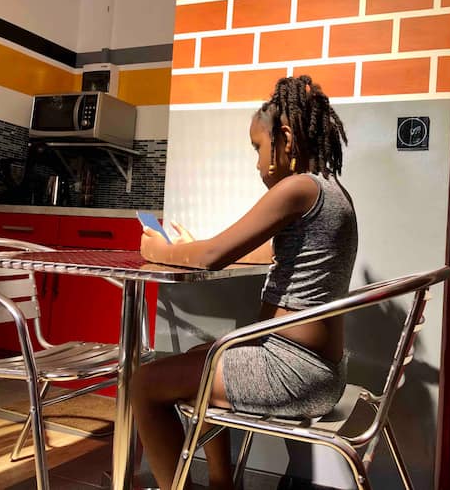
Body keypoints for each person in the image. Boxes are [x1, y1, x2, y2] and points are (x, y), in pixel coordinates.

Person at [131, 75, 358, 490]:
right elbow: (262, 252)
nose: (256, 163)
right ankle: (222, 483)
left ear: (284, 139)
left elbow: (212, 257)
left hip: (293, 372)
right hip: (314, 368)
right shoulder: (331, 192)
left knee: (145, 383)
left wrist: (161, 249)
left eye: (258, 147)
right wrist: (193, 247)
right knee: (201, 355)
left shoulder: (298, 188)